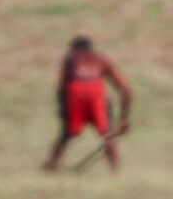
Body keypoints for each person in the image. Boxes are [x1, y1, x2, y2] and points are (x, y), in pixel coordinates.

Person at [44, 36, 131, 171]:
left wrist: (63, 111)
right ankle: (115, 171)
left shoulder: (69, 59)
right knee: (107, 134)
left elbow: (61, 88)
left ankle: (51, 166)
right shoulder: (101, 60)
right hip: (95, 90)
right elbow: (125, 89)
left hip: (75, 90)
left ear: (73, 49)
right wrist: (124, 119)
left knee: (67, 132)